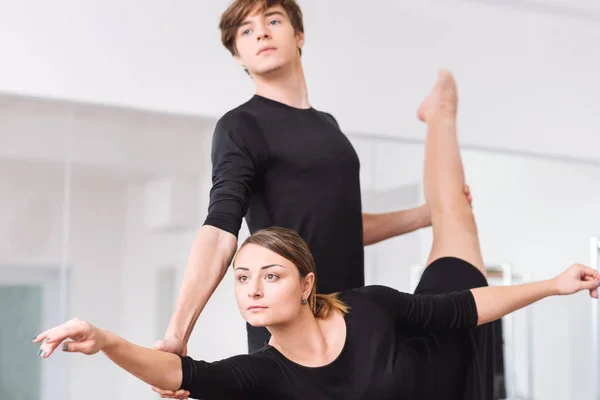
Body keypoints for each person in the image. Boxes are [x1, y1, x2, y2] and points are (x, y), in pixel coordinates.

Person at [34, 70, 599, 399]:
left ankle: (442, 108)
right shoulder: (266, 376)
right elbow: (181, 373)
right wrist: (105, 340)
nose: (251, 290)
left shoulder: (369, 307)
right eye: (243, 278)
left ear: (306, 284)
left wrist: (553, 284)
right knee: (448, 215)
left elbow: (468, 307)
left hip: (450, 353)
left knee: (456, 217)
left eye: (270, 275)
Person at [152, 0, 473, 378]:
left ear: (298, 34)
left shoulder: (328, 126)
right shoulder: (241, 126)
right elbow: (221, 231)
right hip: (290, 336)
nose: (262, 33)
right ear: (238, 54)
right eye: (246, 30)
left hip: (351, 324)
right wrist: (178, 332)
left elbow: (340, 225)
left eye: (273, 20)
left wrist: (422, 216)